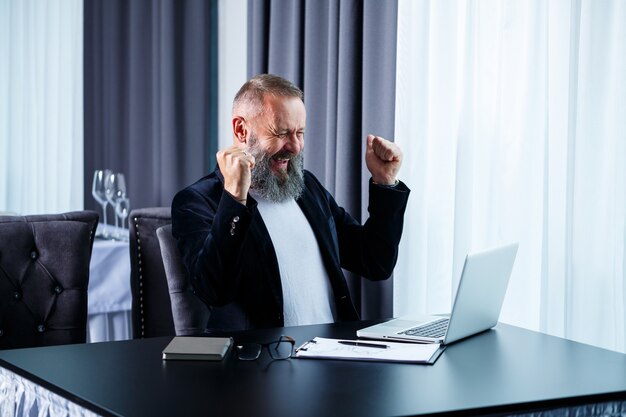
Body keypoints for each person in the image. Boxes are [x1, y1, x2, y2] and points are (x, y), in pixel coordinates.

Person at [171, 74, 410, 331]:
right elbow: (215, 291)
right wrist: (235, 199)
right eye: (283, 133)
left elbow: (374, 262)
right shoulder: (197, 201)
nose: (296, 147)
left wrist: (385, 183)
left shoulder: (307, 188)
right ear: (241, 130)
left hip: (336, 354)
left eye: (300, 133)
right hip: (264, 365)